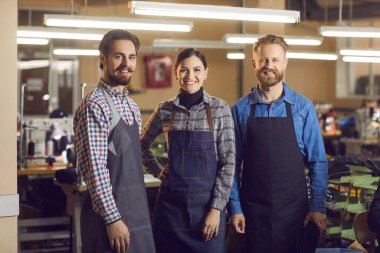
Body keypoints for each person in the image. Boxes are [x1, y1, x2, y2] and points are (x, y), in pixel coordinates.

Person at [227, 34, 328, 253]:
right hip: (252, 214)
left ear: (285, 63)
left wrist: (317, 206)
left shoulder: (303, 107)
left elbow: (318, 161)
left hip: (295, 213)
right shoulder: (239, 110)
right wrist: (235, 207)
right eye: (263, 60)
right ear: (254, 63)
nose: (269, 66)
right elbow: (231, 166)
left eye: (275, 60)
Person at [141, 48, 235, 253]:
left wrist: (216, 209)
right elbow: (140, 144)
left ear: (206, 73)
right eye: (184, 70)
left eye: (197, 70)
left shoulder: (220, 109)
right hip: (170, 212)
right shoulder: (165, 109)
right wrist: (158, 171)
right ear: (176, 72)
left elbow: (228, 163)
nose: (190, 76)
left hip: (206, 211)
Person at [74, 29, 155, 253]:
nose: (126, 63)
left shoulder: (132, 107)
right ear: (103, 59)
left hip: (137, 212)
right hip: (110, 221)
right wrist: (112, 219)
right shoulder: (95, 105)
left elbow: (128, 159)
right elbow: (95, 168)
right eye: (118, 56)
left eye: (131, 57)